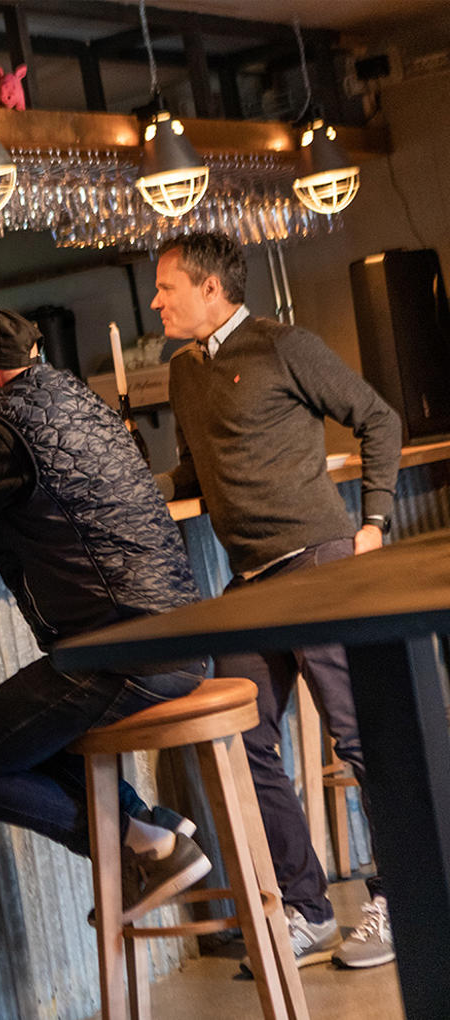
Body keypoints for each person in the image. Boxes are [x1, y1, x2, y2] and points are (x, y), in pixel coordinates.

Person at [0, 307, 210, 921]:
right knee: (23, 732)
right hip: (179, 641)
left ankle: (144, 846)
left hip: (119, 658)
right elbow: (37, 515)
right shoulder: (81, 403)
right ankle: (147, 826)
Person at [151, 231, 402, 970]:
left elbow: (380, 418)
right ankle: (308, 909)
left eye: (166, 287)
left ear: (211, 289)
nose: (157, 302)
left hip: (318, 562)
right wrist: (123, 492)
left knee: (357, 738)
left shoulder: (282, 345)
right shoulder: (182, 372)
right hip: (252, 580)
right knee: (242, 736)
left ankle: (403, 898)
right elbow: (192, 474)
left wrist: (374, 523)